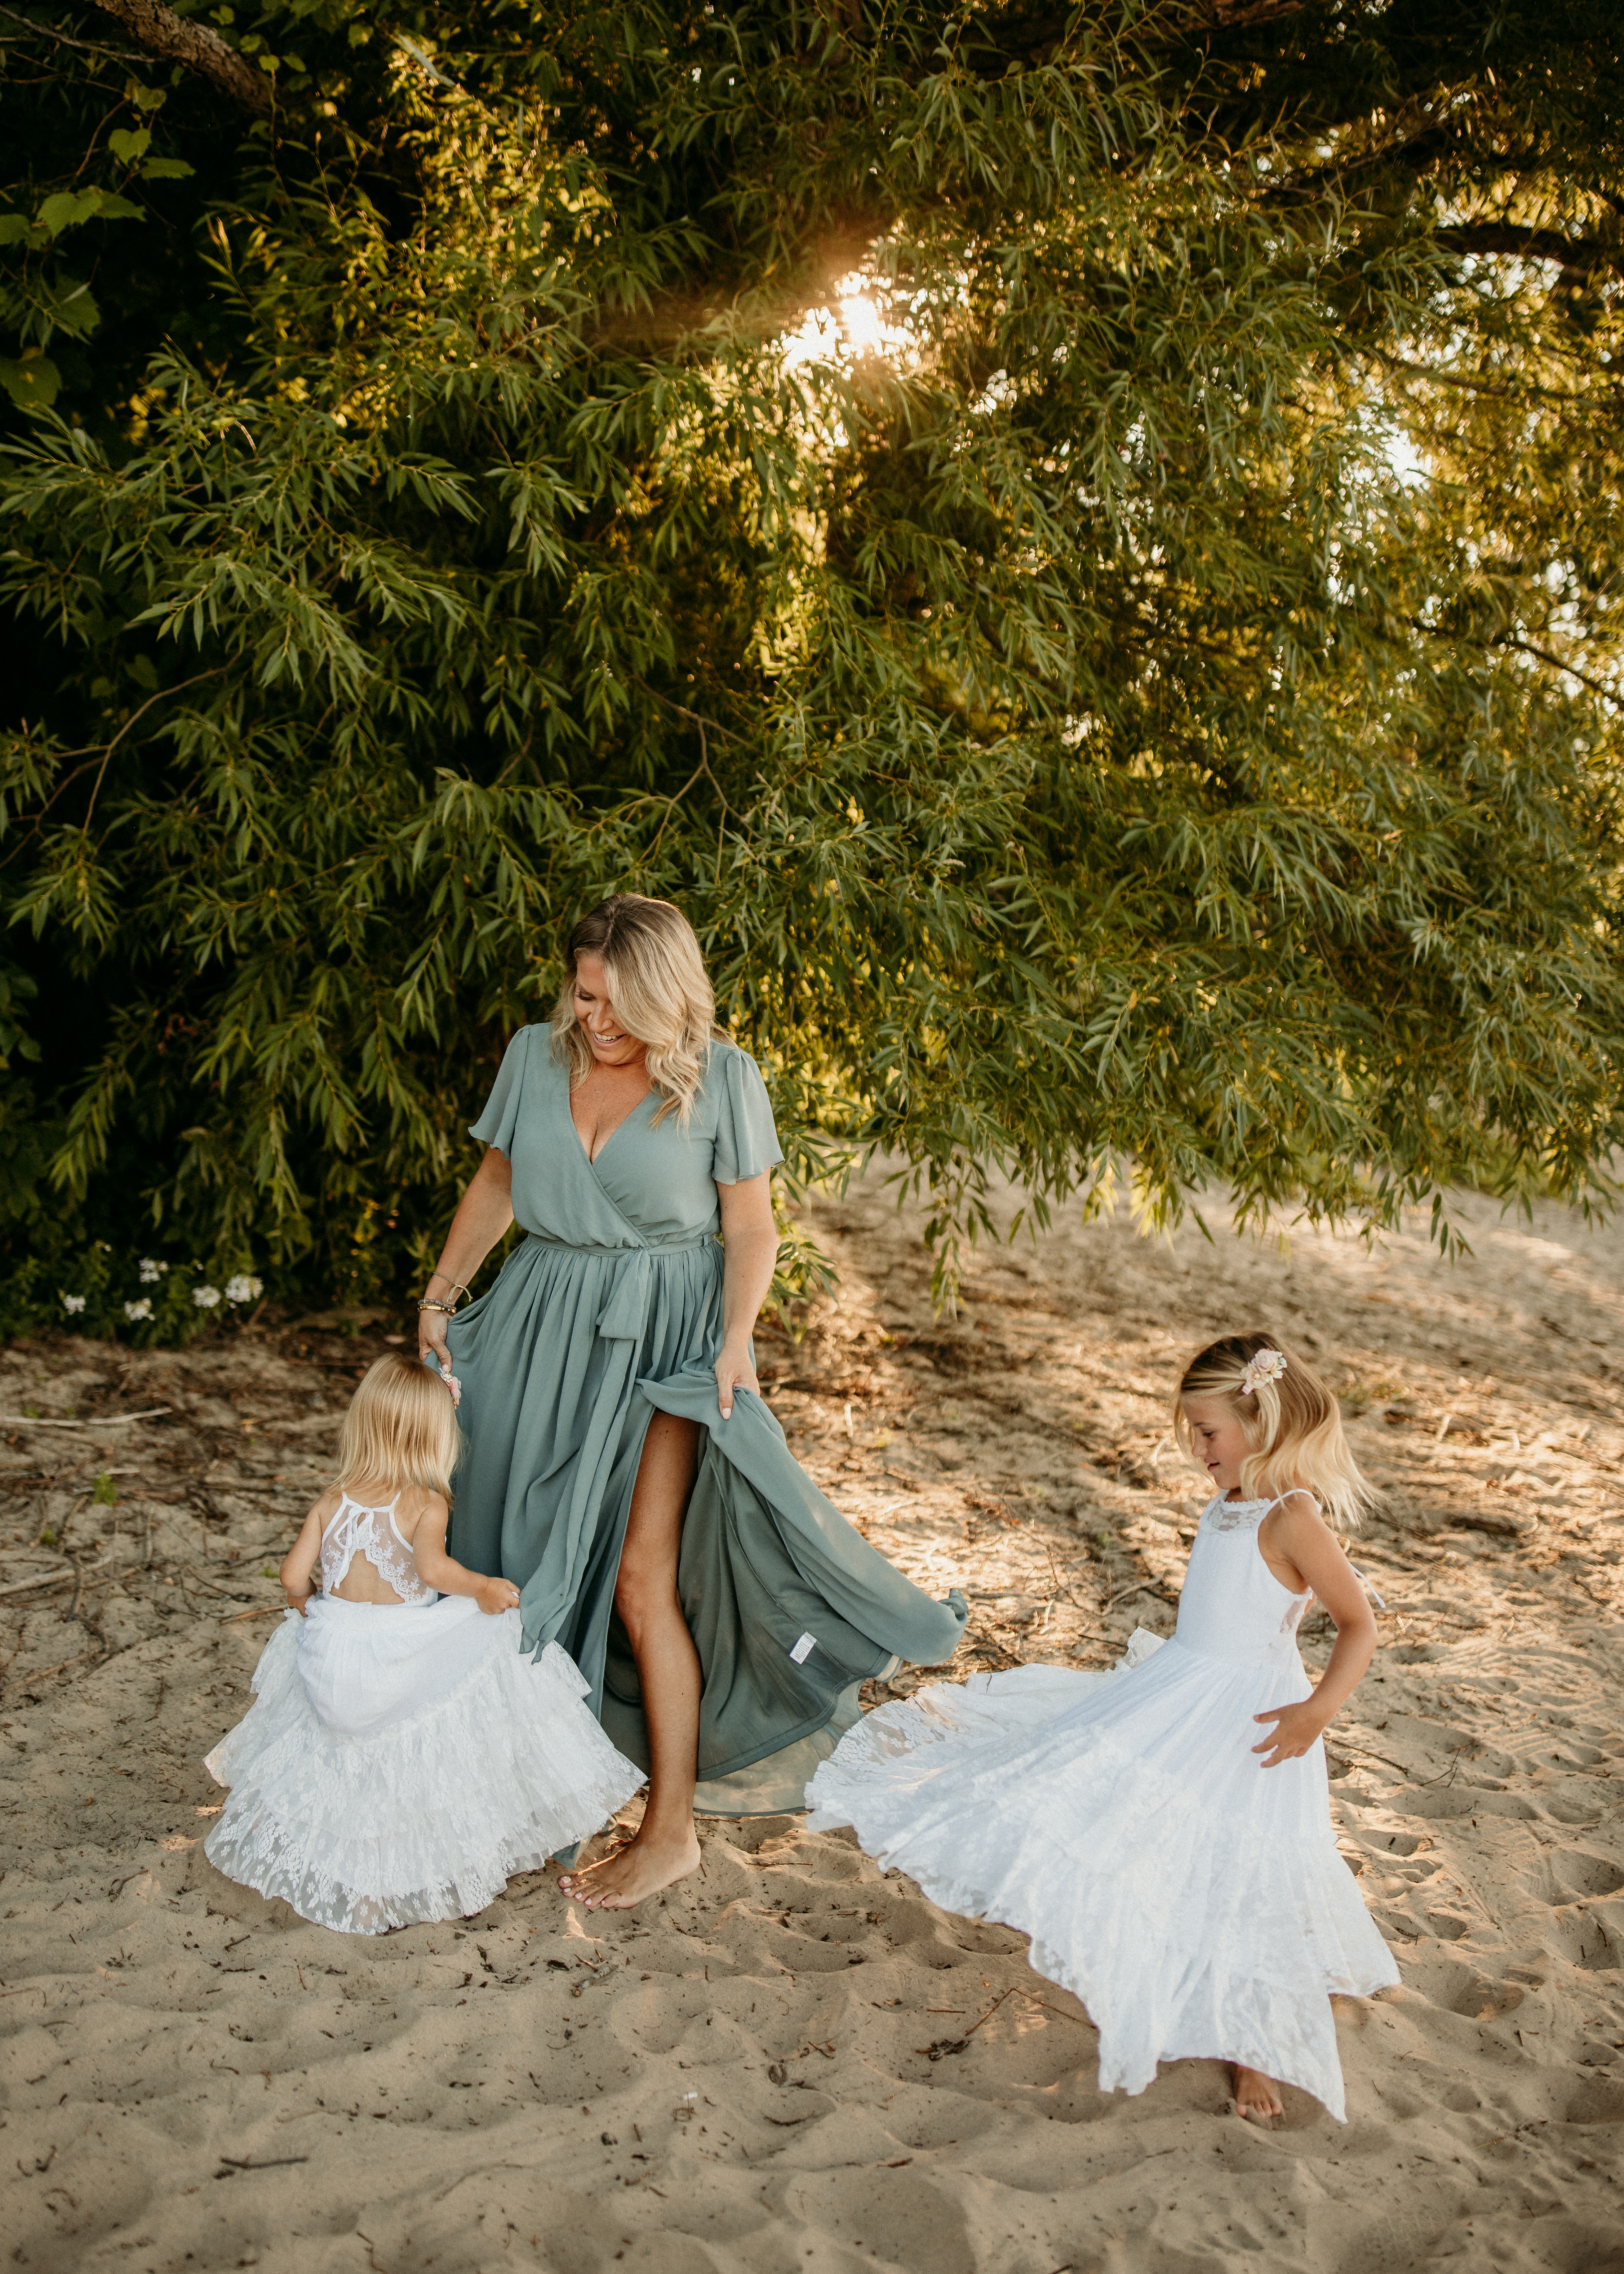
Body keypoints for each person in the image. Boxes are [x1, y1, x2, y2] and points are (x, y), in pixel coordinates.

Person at [417, 893, 965, 1911]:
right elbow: (495, 1180)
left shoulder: (723, 1077)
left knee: (638, 1576)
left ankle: (668, 1830)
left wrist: (735, 1337)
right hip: (537, 1320)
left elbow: (750, 1228)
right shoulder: (533, 1057)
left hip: (664, 1345)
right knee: (510, 1550)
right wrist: (443, 1292)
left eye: (622, 1003)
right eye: (586, 996)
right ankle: (517, 1794)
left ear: (672, 993)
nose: (599, 1019)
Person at [807, 1331, 1401, 2123]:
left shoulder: (1295, 1517)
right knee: (1117, 1810)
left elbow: (1358, 1624)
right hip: (1182, 1691)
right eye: (1191, 1430)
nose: (1197, 1447)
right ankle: (1158, 1963)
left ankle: (1252, 2047)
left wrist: (1318, 1710)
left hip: (1257, 1719)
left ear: (1258, 1421)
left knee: (1241, 1866)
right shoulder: (1228, 1504)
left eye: (1210, 1431)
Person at [202, 1352, 642, 1934]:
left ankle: (291, 1840)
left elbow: (290, 1577)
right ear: (435, 1434)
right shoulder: (423, 1503)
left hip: (332, 1652)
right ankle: (379, 1890)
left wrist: (308, 1605)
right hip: (393, 1657)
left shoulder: (332, 1500)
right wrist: (483, 1587)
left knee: (325, 1749)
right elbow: (434, 1572)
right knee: (488, 1643)